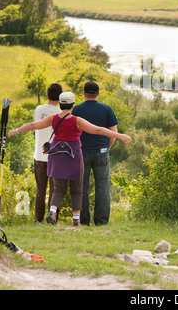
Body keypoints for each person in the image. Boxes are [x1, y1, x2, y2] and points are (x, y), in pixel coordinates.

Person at [8, 91, 131, 226]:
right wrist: (119, 136)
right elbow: (98, 130)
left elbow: (34, 125)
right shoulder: (77, 120)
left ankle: (52, 210)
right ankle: (76, 220)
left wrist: (16, 130)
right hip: (73, 156)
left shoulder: (53, 118)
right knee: (77, 189)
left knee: (59, 188)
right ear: (73, 105)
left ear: (60, 104)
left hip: (57, 156)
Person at [72, 81, 118, 226]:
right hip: (102, 151)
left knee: (82, 188)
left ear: (84, 93)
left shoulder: (77, 110)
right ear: (98, 93)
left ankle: (84, 221)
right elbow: (113, 133)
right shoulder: (106, 109)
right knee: (103, 187)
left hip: (82, 153)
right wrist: (107, 147)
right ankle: (101, 221)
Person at [31, 83, 62, 223]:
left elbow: (35, 125)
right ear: (60, 98)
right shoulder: (61, 113)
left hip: (39, 154)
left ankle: (38, 219)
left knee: (40, 190)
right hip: (55, 156)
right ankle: (52, 217)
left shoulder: (38, 109)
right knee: (55, 190)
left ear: (47, 95)